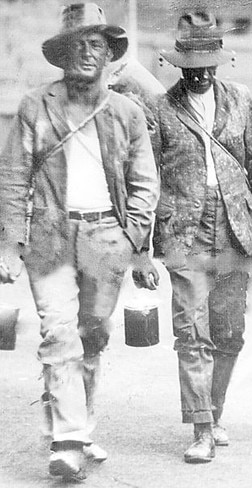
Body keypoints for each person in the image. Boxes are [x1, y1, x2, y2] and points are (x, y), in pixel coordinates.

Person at [0, 3, 158, 482]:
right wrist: (10, 244)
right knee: (58, 331)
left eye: (97, 45)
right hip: (49, 237)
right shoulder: (35, 105)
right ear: (62, 54)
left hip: (106, 238)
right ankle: (67, 439)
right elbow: (13, 177)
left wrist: (132, 236)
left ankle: (80, 427)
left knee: (93, 333)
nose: (87, 54)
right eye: (78, 44)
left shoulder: (127, 112)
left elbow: (144, 182)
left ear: (110, 54)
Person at [138, 10, 252, 464]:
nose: (200, 73)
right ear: (178, 64)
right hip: (184, 230)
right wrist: (142, 244)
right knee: (191, 331)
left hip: (236, 229)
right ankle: (201, 427)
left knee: (229, 332)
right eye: (191, 65)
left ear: (220, 62)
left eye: (208, 63)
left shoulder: (240, 100)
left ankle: (214, 412)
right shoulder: (160, 109)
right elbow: (147, 178)